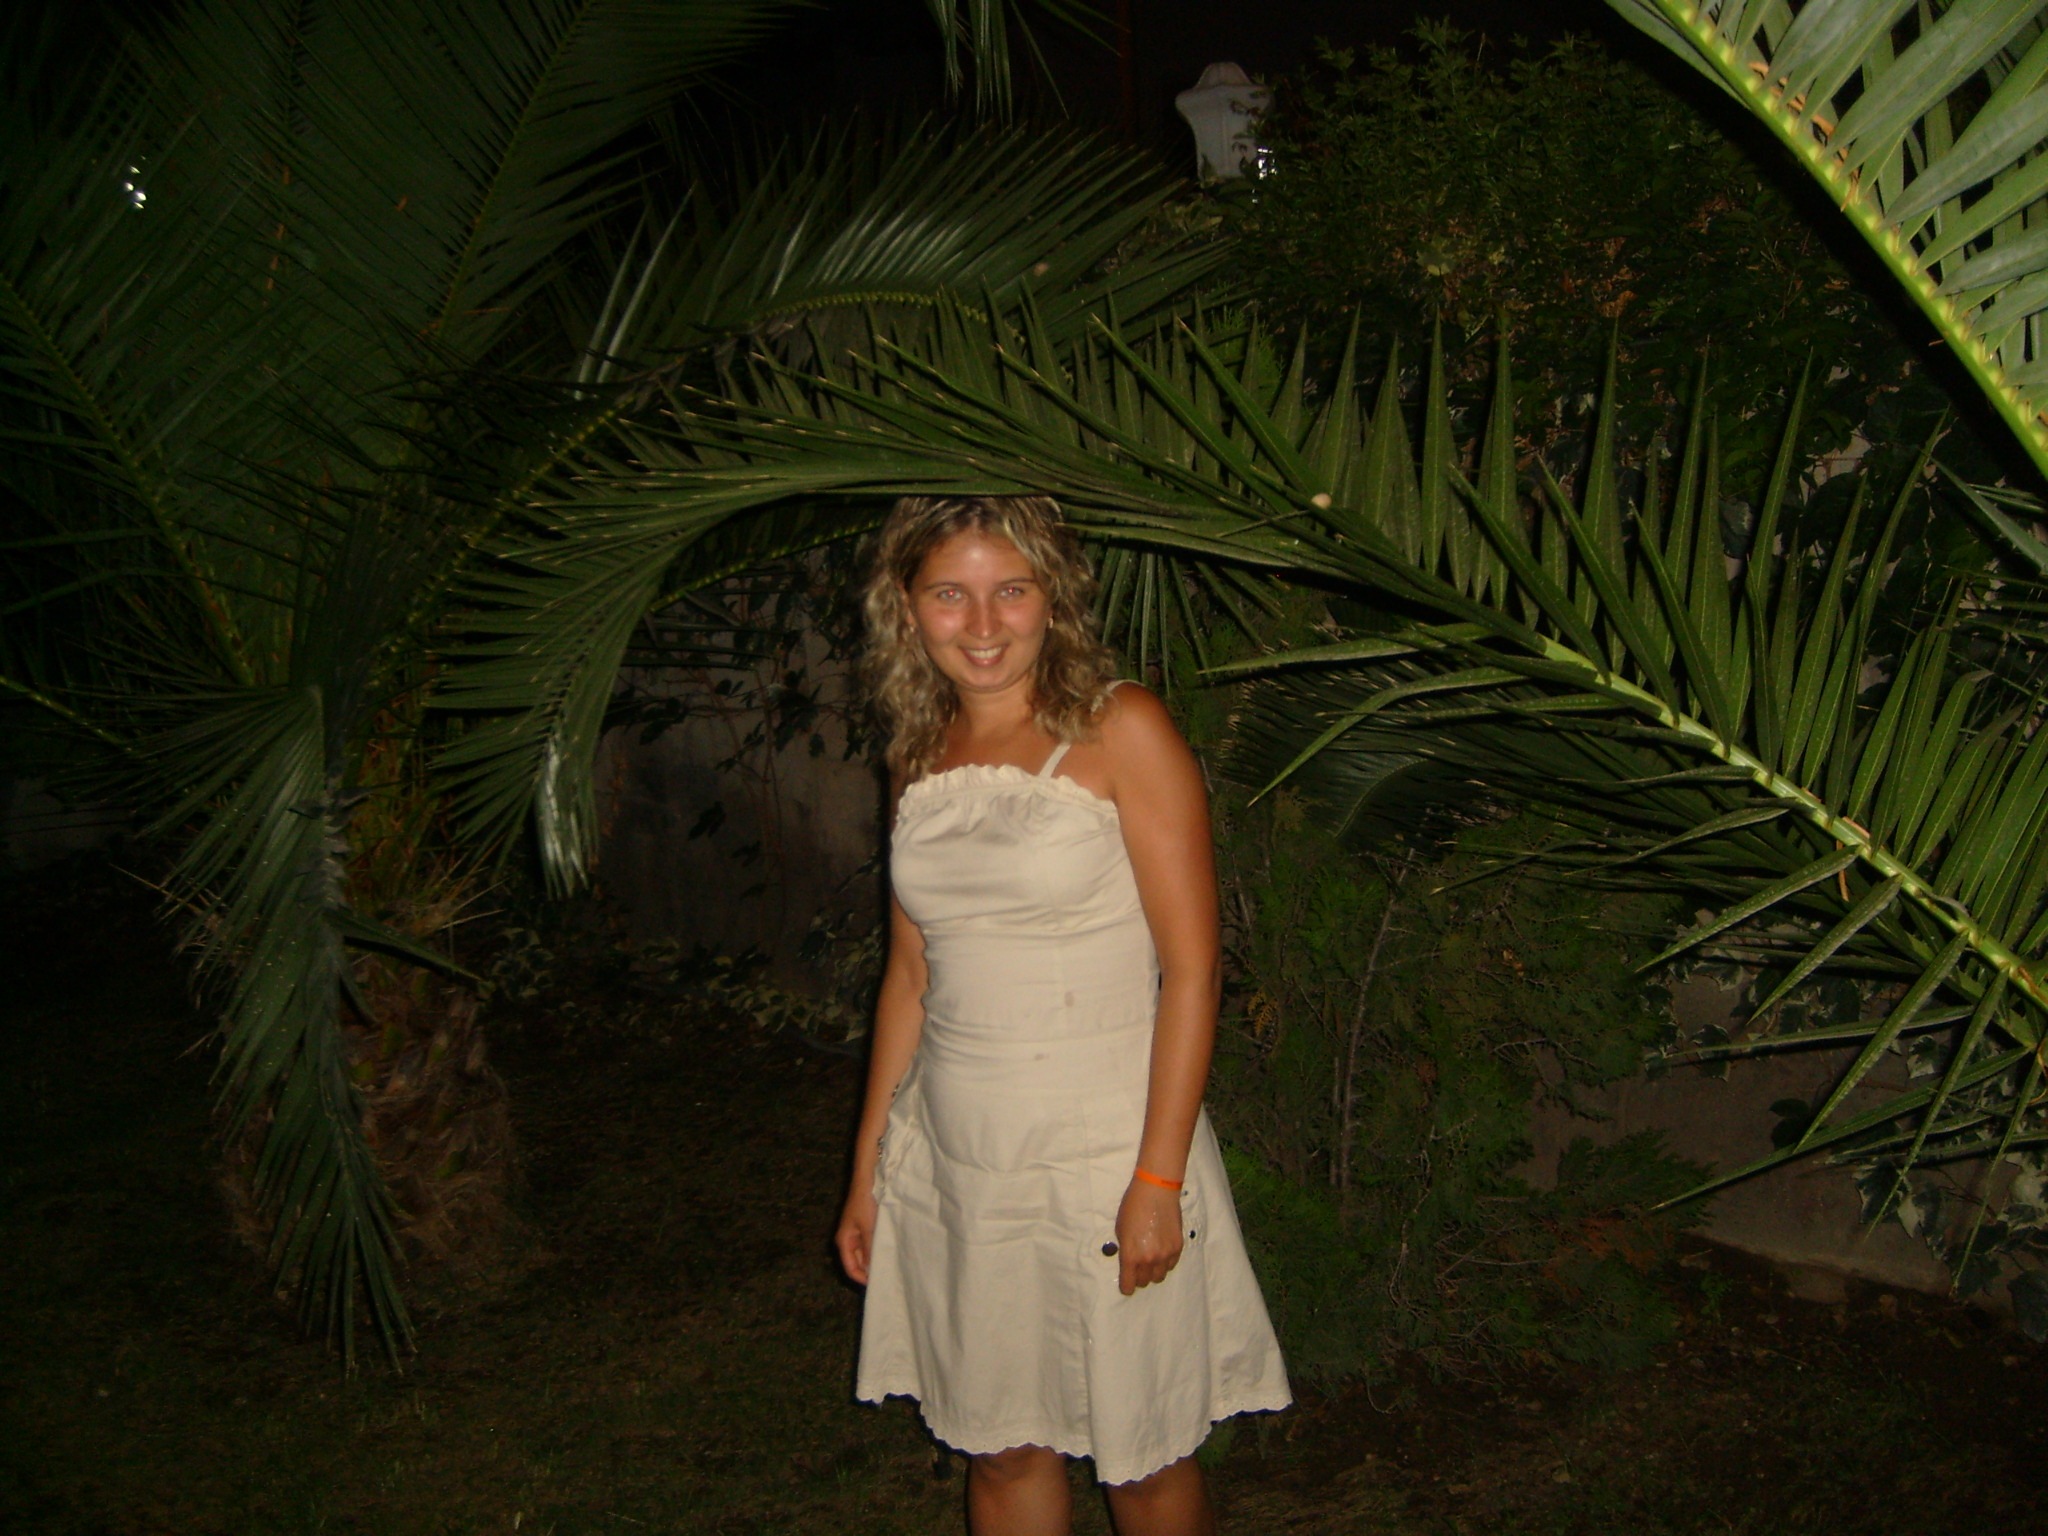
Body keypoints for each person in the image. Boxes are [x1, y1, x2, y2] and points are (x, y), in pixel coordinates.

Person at [835, 495, 1291, 1535]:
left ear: (1055, 598)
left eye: (1011, 590)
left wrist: (1157, 1181)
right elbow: (909, 974)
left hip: (1103, 1150)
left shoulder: (1121, 727)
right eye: (948, 594)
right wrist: (869, 1171)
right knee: (1000, 1447)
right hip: (958, 1155)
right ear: (905, 605)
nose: (982, 625)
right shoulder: (917, 749)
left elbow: (1192, 970)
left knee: (1142, 1453)